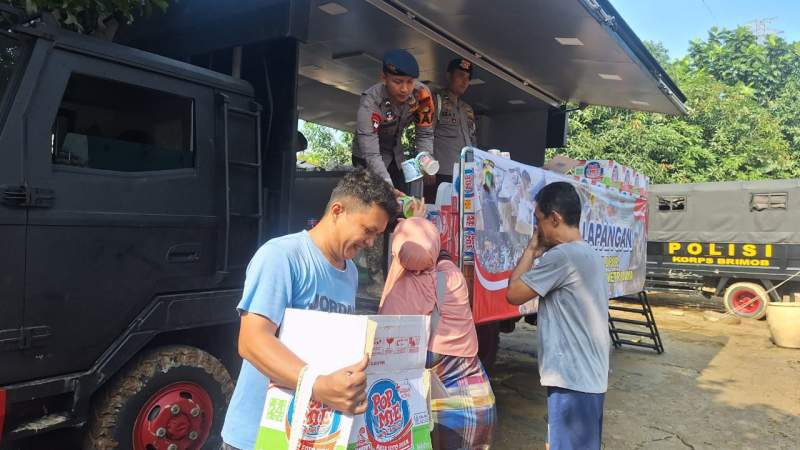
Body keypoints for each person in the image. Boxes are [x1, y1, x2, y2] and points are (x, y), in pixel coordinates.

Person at [220, 168, 398, 450]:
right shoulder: (281, 256)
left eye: (376, 234)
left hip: (310, 433)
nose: (370, 243)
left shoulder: (349, 272)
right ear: (337, 211)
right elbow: (252, 341)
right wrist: (317, 385)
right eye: (367, 230)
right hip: (256, 437)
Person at [505, 182, 610, 450]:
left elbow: (514, 294)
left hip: (572, 380)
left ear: (555, 218)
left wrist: (531, 250)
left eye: (539, 221)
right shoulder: (589, 253)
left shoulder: (563, 256)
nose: (538, 229)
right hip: (586, 378)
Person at [380, 217, 496, 450]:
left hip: (436, 417)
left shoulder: (402, 290)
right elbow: (436, 253)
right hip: (476, 404)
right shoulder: (452, 276)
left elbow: (384, 329)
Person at [352, 48, 435, 193]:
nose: (404, 89)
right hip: (366, 157)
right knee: (378, 199)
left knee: (401, 199)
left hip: (396, 154)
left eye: (410, 82)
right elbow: (371, 153)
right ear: (384, 78)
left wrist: (426, 160)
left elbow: (425, 134)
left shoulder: (422, 95)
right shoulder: (370, 102)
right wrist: (386, 183)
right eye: (397, 82)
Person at [429, 57, 477, 201]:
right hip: (441, 172)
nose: (464, 81)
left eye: (468, 78)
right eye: (460, 75)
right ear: (449, 76)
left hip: (465, 174)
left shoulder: (468, 109)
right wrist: (428, 168)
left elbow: (473, 142)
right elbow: (425, 134)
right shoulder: (435, 100)